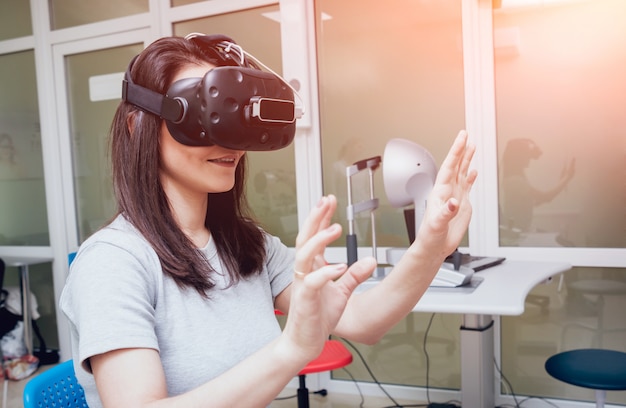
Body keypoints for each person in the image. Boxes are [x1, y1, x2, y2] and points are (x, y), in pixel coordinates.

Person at [59, 34, 477, 408]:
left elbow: (363, 322)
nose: (228, 142)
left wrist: (432, 246)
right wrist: (291, 349)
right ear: (138, 126)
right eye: (203, 118)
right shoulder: (112, 263)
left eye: (231, 117)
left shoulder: (246, 245)